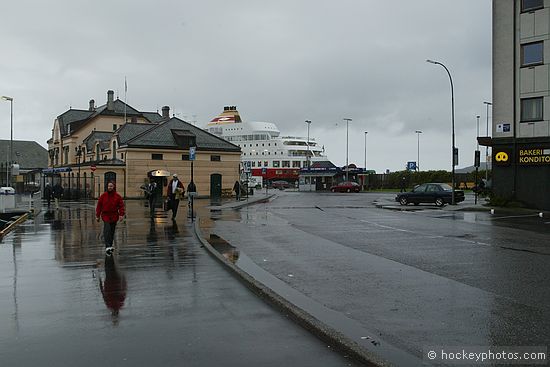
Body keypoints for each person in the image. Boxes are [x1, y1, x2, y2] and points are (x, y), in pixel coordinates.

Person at [96, 181, 125, 256]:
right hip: (105, 215)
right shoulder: (103, 196)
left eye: (111, 186)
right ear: (107, 187)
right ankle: (107, 245)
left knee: (112, 231)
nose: (110, 187)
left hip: (114, 215)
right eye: (109, 186)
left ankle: (110, 245)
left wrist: (121, 215)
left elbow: (121, 206)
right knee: (107, 229)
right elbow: (99, 206)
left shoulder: (117, 196)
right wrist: (97, 216)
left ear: (114, 187)